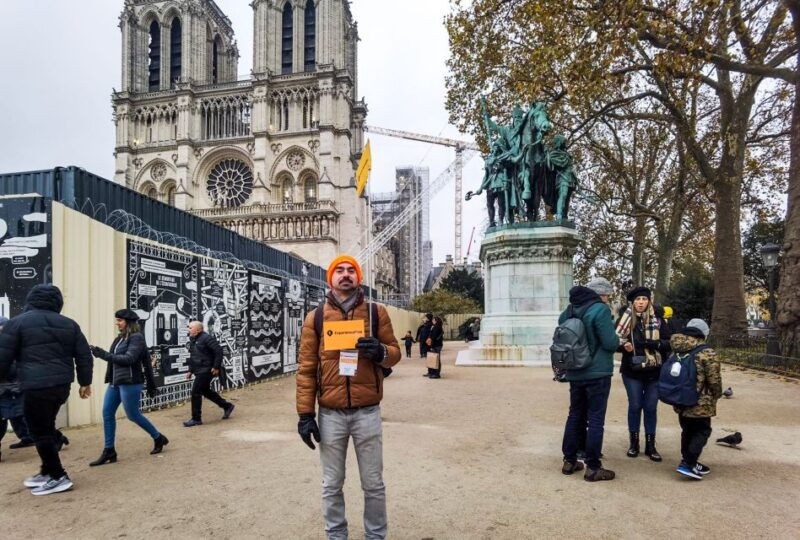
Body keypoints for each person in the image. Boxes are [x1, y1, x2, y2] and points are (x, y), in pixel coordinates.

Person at [296, 255, 401, 540]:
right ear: (330, 279)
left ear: (359, 278)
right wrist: (305, 415)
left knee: (374, 484)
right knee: (331, 484)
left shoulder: (376, 313)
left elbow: (395, 353)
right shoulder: (315, 318)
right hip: (330, 414)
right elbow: (306, 369)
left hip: (367, 412)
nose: (345, 275)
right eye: (339, 271)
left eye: (351, 271)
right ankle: (336, 536)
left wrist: (380, 352)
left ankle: (375, 536)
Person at [0, 285, 92, 495]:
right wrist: (85, 382)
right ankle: (46, 469)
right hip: (61, 387)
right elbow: (84, 355)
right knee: (46, 425)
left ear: (30, 299)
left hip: (35, 386)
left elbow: (3, 357)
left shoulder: (17, 323)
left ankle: (59, 476)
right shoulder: (69, 324)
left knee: (38, 431)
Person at [88, 309, 169, 466]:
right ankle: (109, 450)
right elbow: (117, 359)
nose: (116, 323)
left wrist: (102, 354)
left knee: (133, 415)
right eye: (116, 320)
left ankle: (158, 437)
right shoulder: (120, 338)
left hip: (131, 382)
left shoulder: (136, 338)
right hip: (115, 382)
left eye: (119, 320)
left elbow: (129, 359)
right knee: (107, 413)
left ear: (128, 322)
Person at [559, 280, 620, 482]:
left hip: (575, 371)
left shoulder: (568, 311)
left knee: (575, 415)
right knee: (595, 419)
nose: (608, 298)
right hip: (597, 372)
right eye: (607, 295)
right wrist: (620, 340)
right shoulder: (600, 310)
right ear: (599, 295)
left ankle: (569, 460)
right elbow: (610, 343)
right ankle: (593, 467)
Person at [615, 287, 671, 462]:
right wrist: (624, 347)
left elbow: (669, 343)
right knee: (635, 405)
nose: (641, 302)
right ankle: (634, 443)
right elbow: (613, 342)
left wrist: (652, 344)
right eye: (638, 299)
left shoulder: (659, 320)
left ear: (649, 301)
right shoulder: (624, 320)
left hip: (655, 370)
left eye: (644, 299)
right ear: (633, 302)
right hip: (632, 370)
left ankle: (650, 444)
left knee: (650, 407)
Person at [669, 319, 722, 480]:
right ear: (704, 333)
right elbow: (714, 380)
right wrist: (717, 394)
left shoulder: (678, 350)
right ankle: (688, 463)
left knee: (687, 430)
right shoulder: (707, 352)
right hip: (700, 400)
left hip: (681, 398)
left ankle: (689, 460)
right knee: (702, 430)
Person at [183, 321, 235, 427]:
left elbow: (218, 351)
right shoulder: (193, 339)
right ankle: (227, 406)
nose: (189, 329)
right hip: (199, 370)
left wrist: (216, 367)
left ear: (198, 329)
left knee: (195, 392)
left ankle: (196, 419)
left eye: (191, 327)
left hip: (207, 370)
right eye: (189, 327)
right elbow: (194, 357)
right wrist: (190, 370)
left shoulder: (207, 338)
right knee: (205, 391)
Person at [0, 316, 35, 462]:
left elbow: (13, 368)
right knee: (17, 416)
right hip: (8, 389)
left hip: (12, 388)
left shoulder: (12, 344)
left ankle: (53, 438)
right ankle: (27, 437)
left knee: (19, 415)